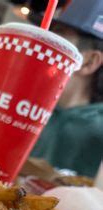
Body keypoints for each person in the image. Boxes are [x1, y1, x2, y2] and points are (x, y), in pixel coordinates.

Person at [31, 0, 103, 178]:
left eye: (58, 38)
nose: (41, 47)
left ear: (89, 62)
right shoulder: (27, 106)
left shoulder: (98, 134)